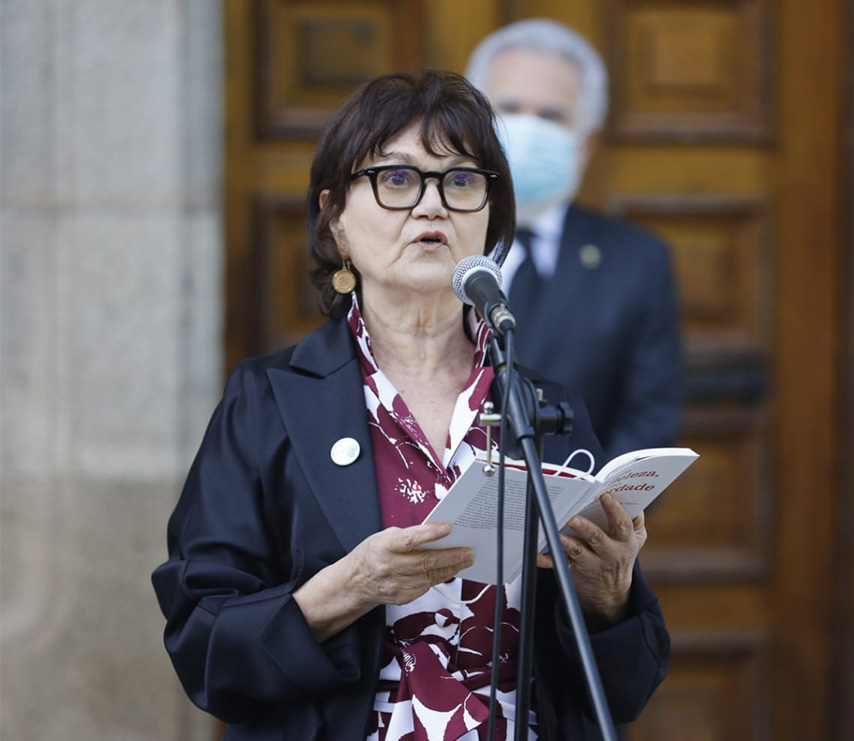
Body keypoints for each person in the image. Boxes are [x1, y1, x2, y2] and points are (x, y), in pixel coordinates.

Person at [151, 69, 669, 741]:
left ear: (489, 220)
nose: (432, 206)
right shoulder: (268, 401)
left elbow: (626, 691)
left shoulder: (543, 407)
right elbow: (205, 650)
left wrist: (610, 598)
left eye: (460, 181)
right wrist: (351, 586)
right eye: (396, 180)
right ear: (335, 220)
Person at [465, 19, 685, 459]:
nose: (525, 130)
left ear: (585, 142)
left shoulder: (637, 262)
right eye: (507, 108)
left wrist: (586, 519)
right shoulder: (424, 239)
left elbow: (649, 420)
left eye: (551, 116)